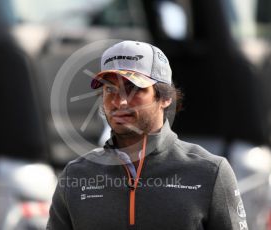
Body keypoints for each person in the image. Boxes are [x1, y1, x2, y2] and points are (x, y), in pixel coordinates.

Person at [47, 40, 248, 230]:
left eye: (133, 88)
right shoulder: (75, 176)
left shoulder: (210, 172)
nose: (120, 102)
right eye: (110, 89)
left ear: (165, 98)